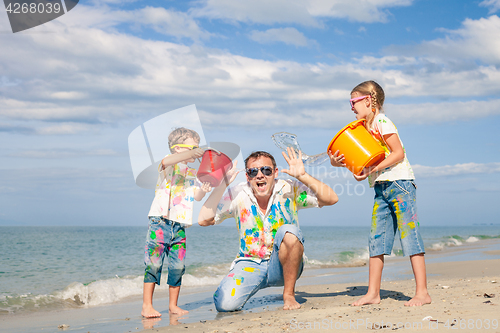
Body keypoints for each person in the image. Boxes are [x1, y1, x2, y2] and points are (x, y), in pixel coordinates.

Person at [329, 80, 431, 307]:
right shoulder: (363, 129)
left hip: (401, 184)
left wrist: (372, 170)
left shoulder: (382, 122)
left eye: (353, 102)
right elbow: (362, 161)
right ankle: (373, 293)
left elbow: (398, 153)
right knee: (376, 240)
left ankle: (422, 292)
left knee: (410, 236)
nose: (351, 107)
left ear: (368, 100)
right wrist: (339, 164)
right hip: (381, 188)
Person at [199, 148, 338, 311]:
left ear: (275, 172)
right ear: (247, 176)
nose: (260, 175)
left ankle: (288, 295)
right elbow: (203, 220)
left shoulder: (288, 189)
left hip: (283, 264)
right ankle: (252, 285)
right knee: (224, 305)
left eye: (266, 170)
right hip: (249, 263)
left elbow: (331, 199)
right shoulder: (237, 194)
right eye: (253, 171)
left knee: (289, 231)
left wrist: (302, 176)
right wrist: (222, 186)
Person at [141, 127, 211, 318]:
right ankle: (147, 305)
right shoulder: (169, 163)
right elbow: (166, 160)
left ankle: (173, 305)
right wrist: (189, 153)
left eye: (197, 148)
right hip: (160, 221)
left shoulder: (192, 172)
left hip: (180, 225)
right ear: (177, 148)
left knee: (177, 266)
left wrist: (203, 190)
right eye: (192, 147)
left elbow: (196, 197)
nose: (196, 151)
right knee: (154, 264)